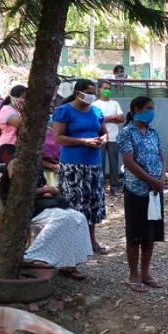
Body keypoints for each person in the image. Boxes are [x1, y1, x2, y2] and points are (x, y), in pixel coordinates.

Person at [0, 159, 92, 279]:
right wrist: (46, 190)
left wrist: (46, 191)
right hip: (21, 207)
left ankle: (69, 263)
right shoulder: (15, 162)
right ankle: (32, 257)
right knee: (63, 218)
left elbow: (38, 186)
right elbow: (20, 191)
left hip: (38, 202)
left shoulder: (36, 160)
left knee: (78, 217)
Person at [53, 78, 108, 255]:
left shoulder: (96, 111)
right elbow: (58, 137)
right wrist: (83, 141)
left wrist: (102, 140)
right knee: (75, 204)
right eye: (90, 92)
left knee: (93, 203)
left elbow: (104, 131)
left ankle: (91, 239)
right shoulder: (64, 111)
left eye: (94, 92)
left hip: (94, 164)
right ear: (78, 93)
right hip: (73, 165)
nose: (93, 95)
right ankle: (73, 242)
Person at [117, 96, 165, 292]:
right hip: (137, 190)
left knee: (150, 234)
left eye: (152, 108)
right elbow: (129, 162)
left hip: (154, 191)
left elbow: (161, 156)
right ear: (136, 109)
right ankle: (133, 275)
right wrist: (151, 180)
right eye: (148, 108)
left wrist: (160, 178)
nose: (151, 111)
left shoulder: (153, 133)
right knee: (135, 233)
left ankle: (146, 273)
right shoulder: (126, 133)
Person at [92, 80, 125, 194]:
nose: (107, 91)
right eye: (105, 88)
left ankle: (114, 187)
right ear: (99, 89)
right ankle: (99, 187)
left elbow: (122, 119)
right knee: (99, 163)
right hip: (100, 137)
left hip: (114, 138)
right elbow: (95, 120)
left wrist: (106, 118)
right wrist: (112, 117)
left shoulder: (115, 103)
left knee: (114, 163)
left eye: (109, 89)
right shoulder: (95, 104)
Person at [0, 84, 26, 163]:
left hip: (20, 146)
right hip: (9, 145)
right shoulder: (6, 109)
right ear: (14, 97)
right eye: (23, 98)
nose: (25, 100)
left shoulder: (19, 110)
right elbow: (21, 124)